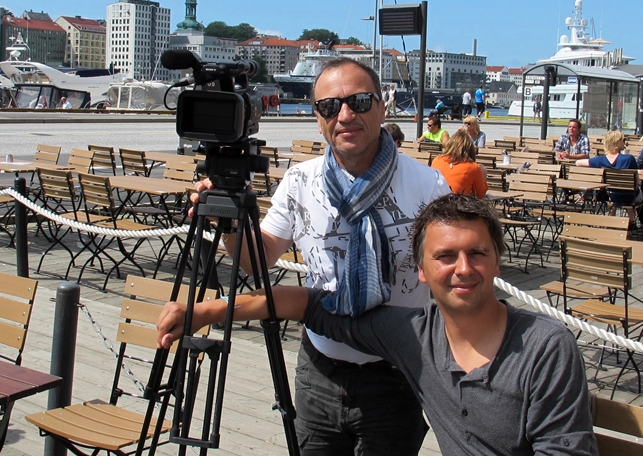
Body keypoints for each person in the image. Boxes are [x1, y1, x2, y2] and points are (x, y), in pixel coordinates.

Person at [158, 194, 597, 455]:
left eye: (477, 253)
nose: (463, 268)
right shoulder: (414, 336)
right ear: (421, 271)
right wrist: (204, 312)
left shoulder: (545, 347)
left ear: (496, 260)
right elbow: (307, 304)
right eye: (445, 256)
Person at [186, 57, 450, 455]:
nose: (345, 114)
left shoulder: (428, 184)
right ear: (317, 116)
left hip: (398, 372)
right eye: (329, 106)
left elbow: (450, 278)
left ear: (381, 107)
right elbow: (259, 261)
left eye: (360, 101)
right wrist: (228, 220)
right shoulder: (299, 180)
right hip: (319, 369)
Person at [576, 130, 642, 228]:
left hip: (612, 196)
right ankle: (632, 221)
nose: (625, 142)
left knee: (615, 192)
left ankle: (612, 219)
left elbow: (578, 163)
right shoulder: (629, 158)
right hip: (631, 196)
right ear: (616, 142)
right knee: (631, 191)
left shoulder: (600, 160)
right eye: (622, 140)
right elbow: (636, 180)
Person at [431, 132, 488, 198]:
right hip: (458, 205)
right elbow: (480, 195)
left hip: (436, 202)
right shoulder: (473, 167)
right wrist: (483, 175)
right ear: (470, 148)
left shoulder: (437, 160)